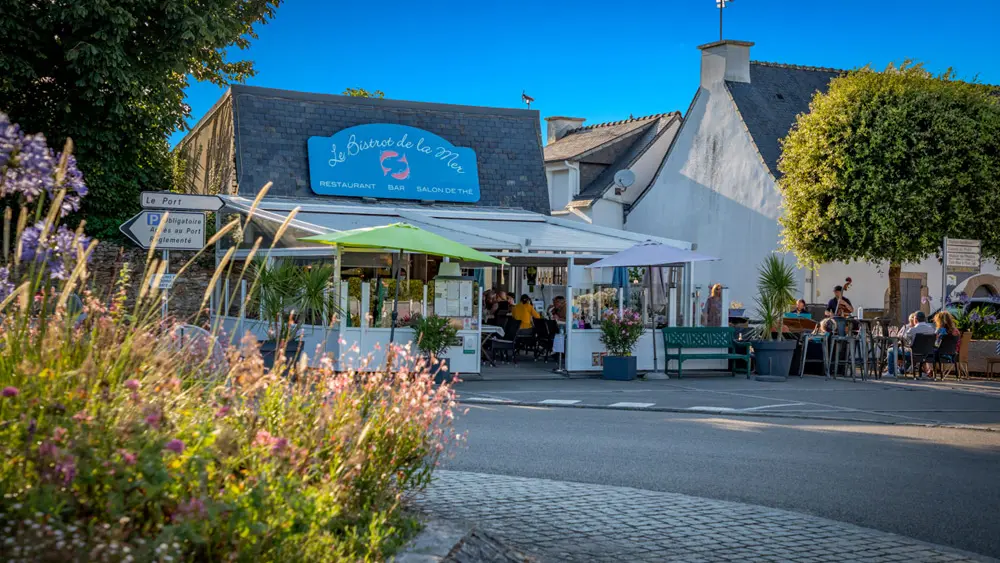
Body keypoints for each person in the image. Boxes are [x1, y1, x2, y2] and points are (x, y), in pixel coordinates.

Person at [886, 311, 935, 377]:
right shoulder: (932, 329)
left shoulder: (912, 330)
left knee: (890, 351)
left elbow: (904, 341)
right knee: (910, 353)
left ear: (915, 319)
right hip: (927, 354)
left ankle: (891, 372)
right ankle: (902, 370)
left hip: (913, 353)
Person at [923, 311, 961, 376]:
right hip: (953, 354)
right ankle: (930, 370)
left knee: (927, 352)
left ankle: (930, 370)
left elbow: (935, 344)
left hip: (940, 355)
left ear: (939, 321)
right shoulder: (956, 331)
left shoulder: (940, 330)